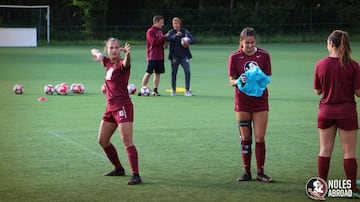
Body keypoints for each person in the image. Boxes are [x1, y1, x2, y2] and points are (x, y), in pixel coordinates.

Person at [313, 30, 360, 198]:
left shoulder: (320, 64)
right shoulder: (353, 65)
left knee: (325, 150)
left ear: (331, 44)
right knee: (349, 152)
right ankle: (352, 189)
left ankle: (321, 189)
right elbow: (358, 92)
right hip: (347, 112)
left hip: (326, 112)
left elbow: (318, 91)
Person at [91, 38, 141, 185]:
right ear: (108, 49)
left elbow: (127, 64)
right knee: (102, 140)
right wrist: (98, 54)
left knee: (126, 140)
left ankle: (136, 175)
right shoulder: (107, 63)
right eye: (111, 48)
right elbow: (93, 50)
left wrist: (128, 54)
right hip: (110, 108)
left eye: (117, 48)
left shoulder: (121, 64)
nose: (114, 50)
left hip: (123, 106)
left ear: (120, 49)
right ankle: (118, 168)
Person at [228, 27, 273, 182]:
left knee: (260, 137)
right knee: (245, 138)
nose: (250, 46)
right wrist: (239, 81)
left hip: (260, 101)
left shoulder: (264, 55)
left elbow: (267, 78)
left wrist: (259, 77)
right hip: (242, 102)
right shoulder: (234, 57)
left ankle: (261, 172)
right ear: (241, 42)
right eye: (247, 43)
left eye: (252, 43)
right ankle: (246, 172)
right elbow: (231, 81)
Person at [137, 15, 169, 96]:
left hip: (160, 56)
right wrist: (164, 37)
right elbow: (154, 42)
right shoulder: (150, 31)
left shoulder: (160, 31)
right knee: (148, 73)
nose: (163, 24)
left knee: (158, 73)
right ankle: (142, 89)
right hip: (152, 56)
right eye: (161, 22)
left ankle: (155, 90)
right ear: (156, 22)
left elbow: (161, 42)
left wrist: (164, 45)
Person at [166, 17, 195, 96]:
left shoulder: (185, 32)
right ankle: (174, 90)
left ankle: (187, 90)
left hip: (184, 56)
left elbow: (193, 39)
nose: (175, 25)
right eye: (173, 24)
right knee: (174, 73)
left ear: (180, 24)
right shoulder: (171, 32)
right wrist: (175, 36)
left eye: (176, 23)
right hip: (174, 57)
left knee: (187, 72)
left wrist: (188, 41)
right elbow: (167, 39)